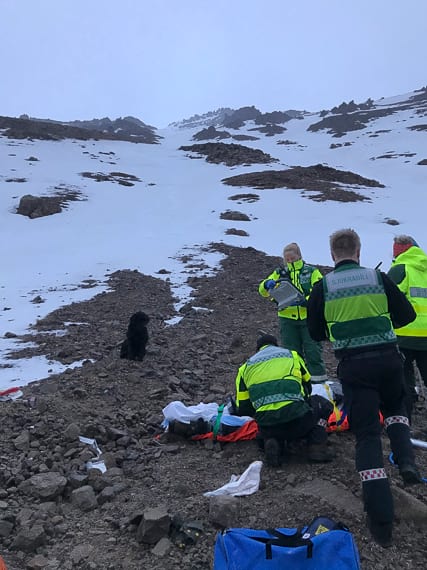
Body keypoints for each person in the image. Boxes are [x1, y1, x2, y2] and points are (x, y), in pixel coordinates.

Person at [306, 228, 421, 548]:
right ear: (358, 251)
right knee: (397, 409)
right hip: (388, 359)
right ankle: (407, 461)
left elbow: (315, 332)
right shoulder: (377, 277)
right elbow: (406, 314)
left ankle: (381, 521)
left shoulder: (323, 287)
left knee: (368, 435)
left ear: (332, 255)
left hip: (354, 367)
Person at [234, 333, 334, 467]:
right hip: (298, 422)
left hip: (268, 425)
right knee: (323, 404)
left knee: (270, 428)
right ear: (276, 345)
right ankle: (317, 447)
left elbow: (244, 408)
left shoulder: (244, 368)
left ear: (257, 350)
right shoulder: (291, 356)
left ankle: (273, 441)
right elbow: (307, 388)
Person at [259, 242, 327, 382]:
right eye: (287, 259)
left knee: (313, 351)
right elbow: (263, 291)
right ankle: (297, 383)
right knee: (292, 353)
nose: (290, 261)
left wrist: (306, 301)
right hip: (287, 319)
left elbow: (320, 291)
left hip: (308, 317)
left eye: (292, 258)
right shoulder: (280, 273)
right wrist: (266, 284)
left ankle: (319, 384)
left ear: (299, 256)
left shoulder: (311, 272)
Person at [387, 235, 427, 421]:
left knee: (405, 382)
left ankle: (405, 424)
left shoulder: (400, 269)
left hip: (404, 334)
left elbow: (387, 298)